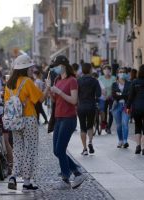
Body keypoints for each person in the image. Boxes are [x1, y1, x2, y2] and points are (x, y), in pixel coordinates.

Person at [5, 54, 50, 191]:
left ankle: (13, 176)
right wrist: (47, 87)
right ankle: (26, 182)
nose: (31, 69)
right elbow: (40, 99)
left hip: (14, 120)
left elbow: (7, 103)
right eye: (29, 67)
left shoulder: (8, 84)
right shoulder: (27, 82)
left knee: (17, 148)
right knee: (30, 148)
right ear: (25, 69)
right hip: (29, 118)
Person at [48, 55, 86, 190]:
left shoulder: (72, 81)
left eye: (57, 66)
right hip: (58, 117)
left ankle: (66, 179)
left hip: (69, 118)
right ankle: (77, 173)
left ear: (63, 65)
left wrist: (58, 91)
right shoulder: (57, 80)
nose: (56, 68)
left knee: (60, 149)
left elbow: (74, 100)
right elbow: (55, 101)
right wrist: (51, 92)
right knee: (56, 150)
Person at [77, 63, 101, 155]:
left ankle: (84, 149)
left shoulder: (78, 81)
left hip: (81, 106)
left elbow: (76, 94)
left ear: (82, 70)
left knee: (83, 127)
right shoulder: (95, 81)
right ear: (90, 70)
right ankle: (90, 142)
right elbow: (98, 94)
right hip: (91, 106)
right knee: (90, 126)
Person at [111, 67, 131, 148]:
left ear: (126, 74)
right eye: (120, 72)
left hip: (126, 106)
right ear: (117, 73)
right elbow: (114, 95)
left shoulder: (129, 84)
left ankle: (125, 141)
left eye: (123, 72)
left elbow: (129, 95)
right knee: (119, 125)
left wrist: (120, 94)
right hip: (117, 106)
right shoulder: (114, 84)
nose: (121, 73)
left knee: (125, 123)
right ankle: (120, 140)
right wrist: (123, 94)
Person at [98, 65, 116, 134]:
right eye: (105, 70)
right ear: (103, 71)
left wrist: (111, 95)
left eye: (108, 70)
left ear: (110, 71)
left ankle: (108, 127)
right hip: (103, 98)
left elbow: (115, 87)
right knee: (104, 111)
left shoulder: (113, 78)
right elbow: (99, 88)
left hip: (111, 97)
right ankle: (104, 123)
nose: (107, 71)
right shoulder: (100, 78)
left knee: (111, 112)